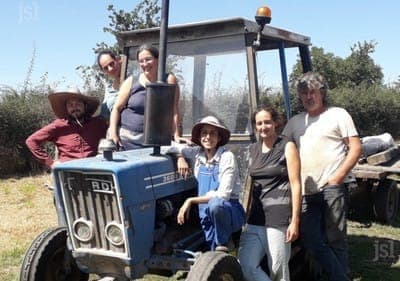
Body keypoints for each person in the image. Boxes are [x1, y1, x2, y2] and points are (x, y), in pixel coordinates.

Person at [282, 72, 362, 281]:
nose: (308, 97)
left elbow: (355, 148)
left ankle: (338, 276)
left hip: (332, 187)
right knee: (310, 238)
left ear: (322, 93)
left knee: (335, 238)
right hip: (306, 191)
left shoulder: (338, 115)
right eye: (303, 93)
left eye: (312, 92)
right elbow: (280, 148)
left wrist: (337, 178)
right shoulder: (295, 122)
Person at [238, 106, 302, 281]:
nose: (263, 127)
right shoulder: (252, 150)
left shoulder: (286, 146)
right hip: (255, 217)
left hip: (279, 217)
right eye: (259, 123)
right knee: (245, 265)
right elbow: (248, 185)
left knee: (278, 270)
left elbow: (296, 184)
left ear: (275, 123)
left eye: (267, 122)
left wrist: (295, 220)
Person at [168, 116, 245, 252]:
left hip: (227, 210)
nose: (208, 137)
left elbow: (223, 195)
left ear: (219, 138)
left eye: (213, 133)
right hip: (204, 210)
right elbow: (168, 146)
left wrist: (190, 200)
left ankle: (226, 241)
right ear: (199, 137)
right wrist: (179, 157)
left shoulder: (226, 157)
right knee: (211, 253)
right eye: (204, 133)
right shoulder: (198, 154)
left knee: (215, 204)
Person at [108, 44, 183, 150]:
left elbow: (173, 110)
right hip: (126, 139)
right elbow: (116, 108)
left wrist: (176, 135)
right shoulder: (131, 81)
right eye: (141, 61)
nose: (145, 64)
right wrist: (113, 133)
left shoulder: (169, 80)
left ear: (158, 60)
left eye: (148, 59)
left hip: (155, 140)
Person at [26, 87, 108, 169]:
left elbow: (111, 137)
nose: (74, 108)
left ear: (85, 106)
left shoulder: (98, 124)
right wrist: (50, 163)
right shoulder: (58, 125)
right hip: (68, 171)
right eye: (70, 105)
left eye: (78, 104)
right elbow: (31, 141)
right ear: (66, 108)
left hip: (94, 169)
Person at [97, 49, 124, 120]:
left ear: (118, 60)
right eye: (106, 68)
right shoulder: (109, 90)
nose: (110, 69)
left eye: (111, 63)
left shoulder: (134, 81)